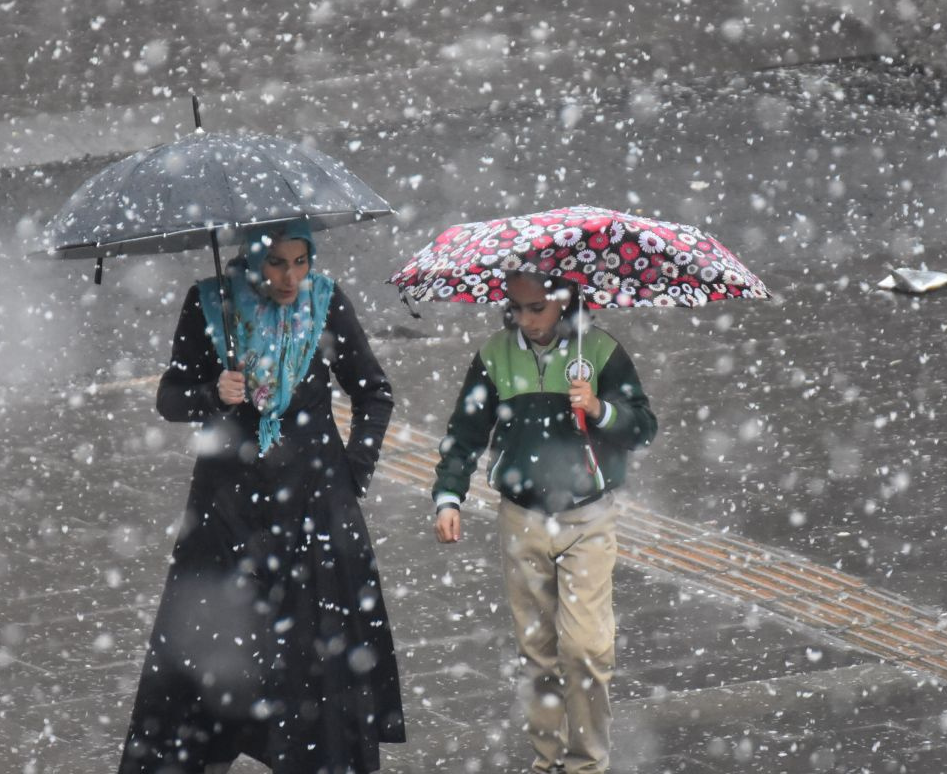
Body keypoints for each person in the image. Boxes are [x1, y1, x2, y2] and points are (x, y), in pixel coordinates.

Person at [118, 220, 405, 774]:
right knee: (215, 651)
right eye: (277, 263)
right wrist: (212, 394)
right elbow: (169, 399)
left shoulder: (325, 302)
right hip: (229, 511)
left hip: (314, 509)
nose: (291, 277)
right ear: (252, 260)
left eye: (301, 261)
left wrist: (353, 471)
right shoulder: (210, 306)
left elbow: (374, 392)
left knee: (308, 660)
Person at [431, 269, 657, 774]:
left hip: (588, 518)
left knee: (585, 648)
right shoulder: (495, 355)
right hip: (522, 519)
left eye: (537, 308)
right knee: (537, 651)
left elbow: (642, 427)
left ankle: (587, 763)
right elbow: (465, 431)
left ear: (564, 301)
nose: (526, 319)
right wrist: (449, 496)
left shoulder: (598, 351)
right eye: (516, 308)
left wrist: (599, 409)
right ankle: (546, 760)